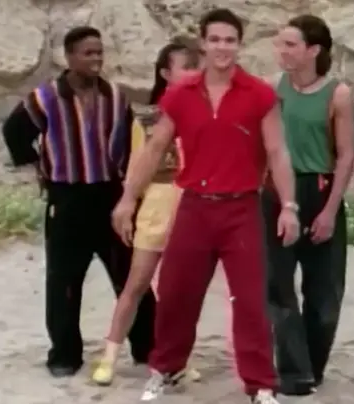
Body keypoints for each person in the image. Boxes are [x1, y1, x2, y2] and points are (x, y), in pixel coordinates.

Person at [111, 8, 299, 404]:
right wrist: (128, 198)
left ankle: (260, 385)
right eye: (215, 40)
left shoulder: (259, 94)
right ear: (203, 44)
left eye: (230, 40)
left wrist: (289, 206)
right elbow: (155, 148)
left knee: (249, 300)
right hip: (194, 206)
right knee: (176, 292)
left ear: (240, 45)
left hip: (241, 208)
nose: (222, 47)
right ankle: (167, 368)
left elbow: (278, 151)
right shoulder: (182, 94)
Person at [1, 26, 156, 377]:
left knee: (131, 275)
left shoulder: (115, 96)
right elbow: (14, 131)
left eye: (99, 52)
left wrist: (130, 189)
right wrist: (37, 167)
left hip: (110, 196)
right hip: (67, 199)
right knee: (65, 282)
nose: (96, 59)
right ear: (69, 57)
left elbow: (131, 143)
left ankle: (147, 346)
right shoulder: (46, 98)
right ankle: (65, 355)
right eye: (88, 53)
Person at [91, 39, 201, 386]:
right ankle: (110, 355)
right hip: (157, 204)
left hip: (193, 206)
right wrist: (128, 204)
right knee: (136, 284)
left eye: (196, 67)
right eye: (186, 67)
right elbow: (137, 165)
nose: (193, 74)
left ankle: (178, 358)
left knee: (180, 291)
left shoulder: (204, 112)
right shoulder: (148, 117)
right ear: (166, 73)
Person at [265, 14, 354, 396]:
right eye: (280, 43)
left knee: (325, 293)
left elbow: (346, 155)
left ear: (314, 50)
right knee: (277, 287)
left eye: (290, 44)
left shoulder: (338, 94)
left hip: (319, 190)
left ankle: (312, 367)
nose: (281, 51)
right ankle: (293, 373)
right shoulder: (274, 88)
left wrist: (330, 211)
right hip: (278, 192)